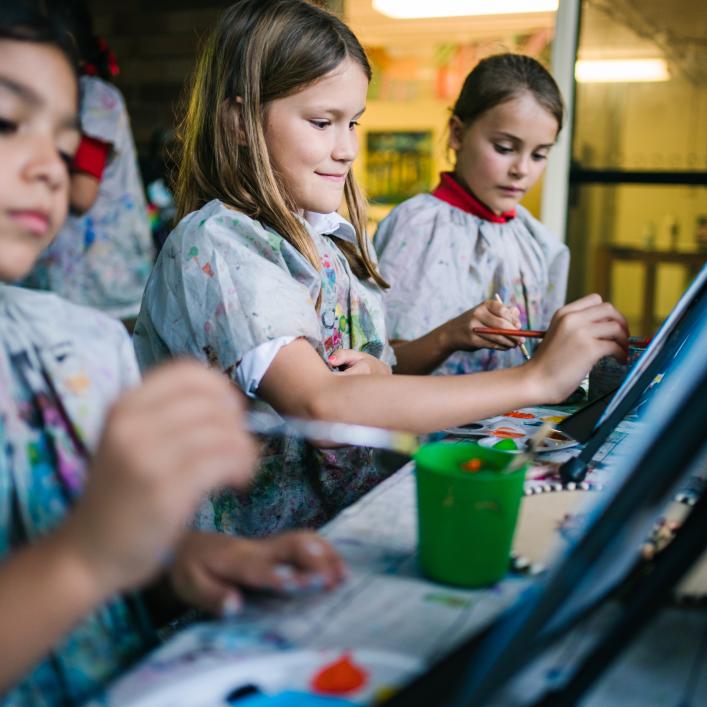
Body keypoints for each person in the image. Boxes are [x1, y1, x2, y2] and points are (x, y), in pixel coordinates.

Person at [134, 0, 628, 538]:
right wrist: (537, 377)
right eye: (323, 122)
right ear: (239, 121)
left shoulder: (328, 241)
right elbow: (321, 403)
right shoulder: (217, 243)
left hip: (333, 536)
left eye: (354, 123)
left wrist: (384, 372)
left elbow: (359, 381)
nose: (347, 149)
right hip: (244, 561)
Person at [0, 6, 344, 704]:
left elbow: (115, 558)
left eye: (66, 149)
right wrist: (89, 553)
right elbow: (87, 551)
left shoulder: (84, 347)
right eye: (7, 124)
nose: (50, 172)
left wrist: (191, 559)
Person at [375, 53, 569, 376]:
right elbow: (380, 369)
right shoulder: (416, 227)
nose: (522, 170)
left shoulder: (538, 241)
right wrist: (451, 335)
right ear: (458, 134)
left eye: (539, 155)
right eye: (505, 148)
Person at [22, 0, 154, 330]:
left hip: (99, 278)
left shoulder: (94, 98)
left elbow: (82, 193)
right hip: (73, 278)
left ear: (65, 44)